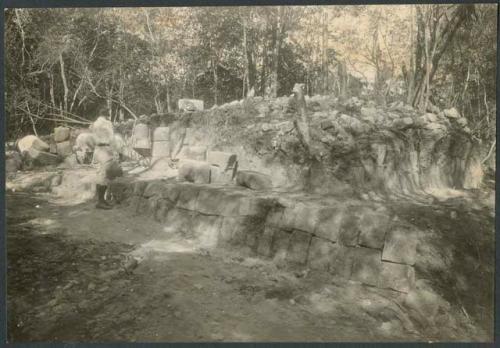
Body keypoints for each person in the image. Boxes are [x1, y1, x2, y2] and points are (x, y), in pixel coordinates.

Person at [92, 116, 123, 210]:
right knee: (104, 176)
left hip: (97, 149)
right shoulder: (107, 124)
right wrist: (115, 151)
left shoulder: (95, 125)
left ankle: (100, 200)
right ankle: (101, 201)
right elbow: (111, 138)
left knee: (100, 175)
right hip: (105, 149)